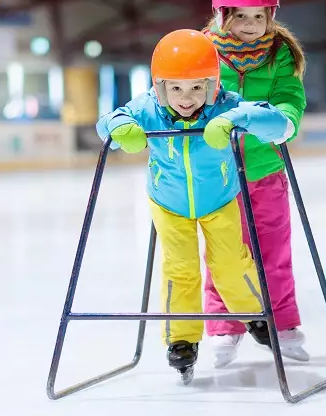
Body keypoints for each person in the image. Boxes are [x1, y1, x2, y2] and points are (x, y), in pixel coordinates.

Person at [96, 29, 295, 381]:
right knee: (181, 269)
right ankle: (182, 339)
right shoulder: (148, 107)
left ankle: (254, 314)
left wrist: (235, 119)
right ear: (160, 87)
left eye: (195, 88)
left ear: (211, 85)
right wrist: (121, 128)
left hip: (218, 199)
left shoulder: (225, 104)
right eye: (175, 88)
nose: (185, 98)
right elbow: (107, 121)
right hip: (169, 203)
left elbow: (278, 123)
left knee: (231, 263)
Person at [201, 0, 310, 368]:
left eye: (258, 17)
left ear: (270, 17)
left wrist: (284, 120)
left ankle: (282, 325)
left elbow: (289, 96)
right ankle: (225, 326)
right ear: (223, 14)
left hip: (265, 171)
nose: (250, 25)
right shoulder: (203, 51)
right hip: (218, 173)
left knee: (273, 252)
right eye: (241, 16)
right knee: (224, 253)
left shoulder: (279, 54)